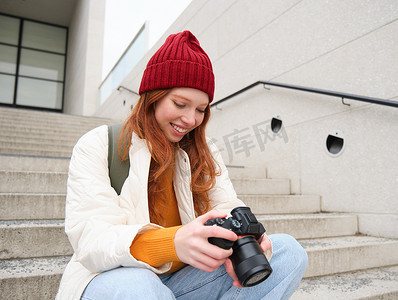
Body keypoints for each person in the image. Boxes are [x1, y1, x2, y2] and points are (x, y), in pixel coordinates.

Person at [56, 30, 307, 300]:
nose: (190, 119)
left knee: (288, 252)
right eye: (180, 104)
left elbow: (226, 205)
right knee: (141, 287)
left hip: (185, 279)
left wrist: (250, 241)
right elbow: (92, 240)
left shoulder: (204, 150)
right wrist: (172, 244)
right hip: (117, 278)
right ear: (153, 96)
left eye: (201, 109)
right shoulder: (98, 144)